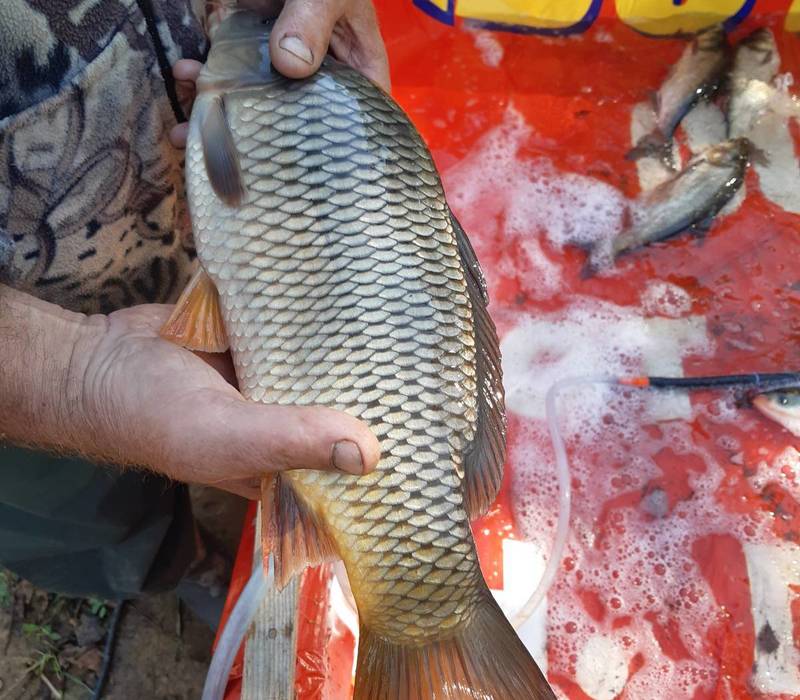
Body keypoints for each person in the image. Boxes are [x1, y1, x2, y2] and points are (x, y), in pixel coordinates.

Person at [0, 0, 387, 618]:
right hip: (24, 358)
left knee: (253, 434)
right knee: (85, 509)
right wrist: (78, 374)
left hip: (203, 236)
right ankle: (173, 564)